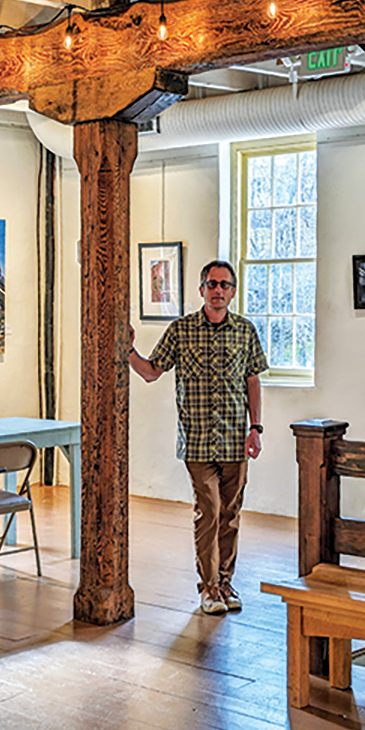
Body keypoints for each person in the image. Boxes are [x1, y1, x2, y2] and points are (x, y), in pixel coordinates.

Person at [128, 259, 267, 615]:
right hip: (198, 438)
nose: (218, 290)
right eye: (211, 284)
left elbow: (253, 380)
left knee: (231, 513)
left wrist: (256, 428)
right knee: (209, 509)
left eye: (224, 284)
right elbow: (151, 372)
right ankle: (208, 587)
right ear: (201, 290)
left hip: (237, 437)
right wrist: (127, 351)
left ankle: (225, 582)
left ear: (233, 291)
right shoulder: (181, 330)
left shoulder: (245, 331)